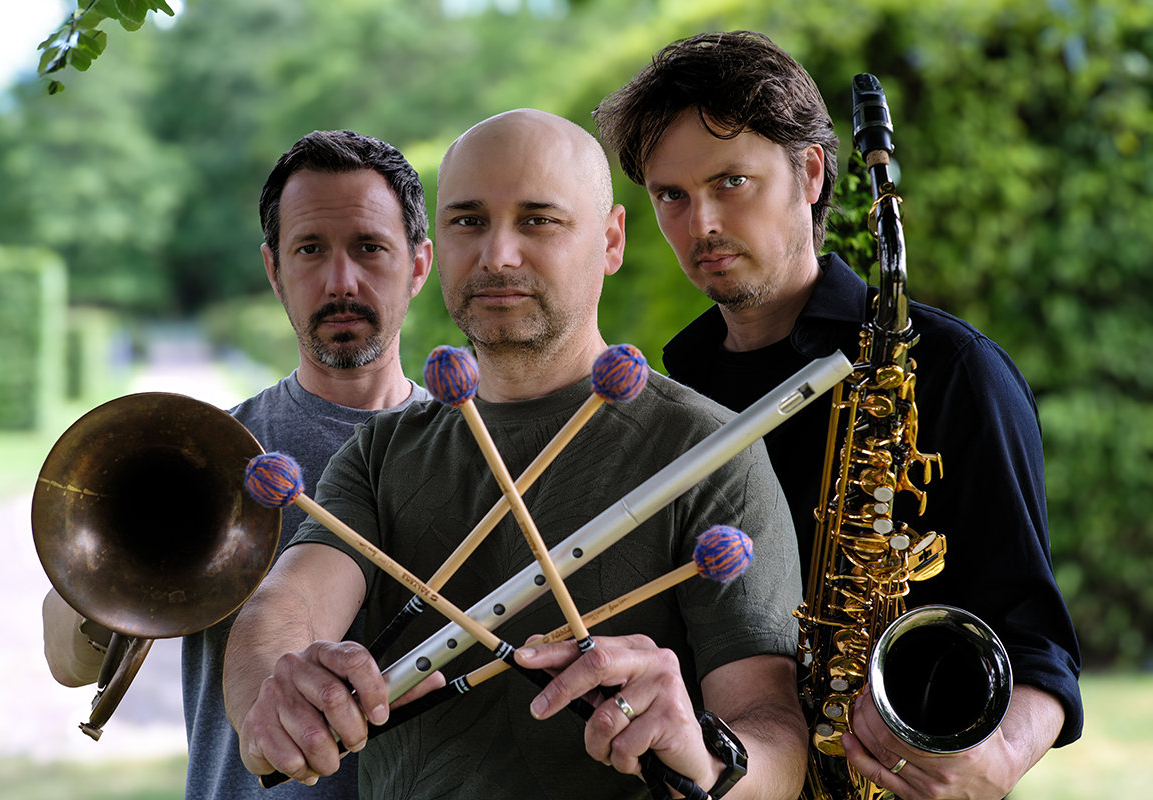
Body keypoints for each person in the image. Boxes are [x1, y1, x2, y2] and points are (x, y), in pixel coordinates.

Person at [223, 108, 809, 800]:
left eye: (538, 221)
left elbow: (775, 738)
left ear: (611, 240)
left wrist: (707, 759)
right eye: (469, 221)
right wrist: (275, 691)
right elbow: (284, 606)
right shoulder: (381, 451)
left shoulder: (709, 452)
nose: (498, 255)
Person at [592, 30, 1083, 800]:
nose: (702, 223)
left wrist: (999, 760)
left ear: (812, 173)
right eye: (671, 196)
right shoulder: (676, 390)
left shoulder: (952, 368)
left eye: (732, 182)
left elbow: (1036, 639)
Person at [41, 129, 434, 800]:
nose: (340, 281)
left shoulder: (475, 452)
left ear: (419, 265)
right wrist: (136, 569)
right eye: (310, 249)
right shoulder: (209, 450)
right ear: (274, 270)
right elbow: (65, 660)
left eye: (369, 247)